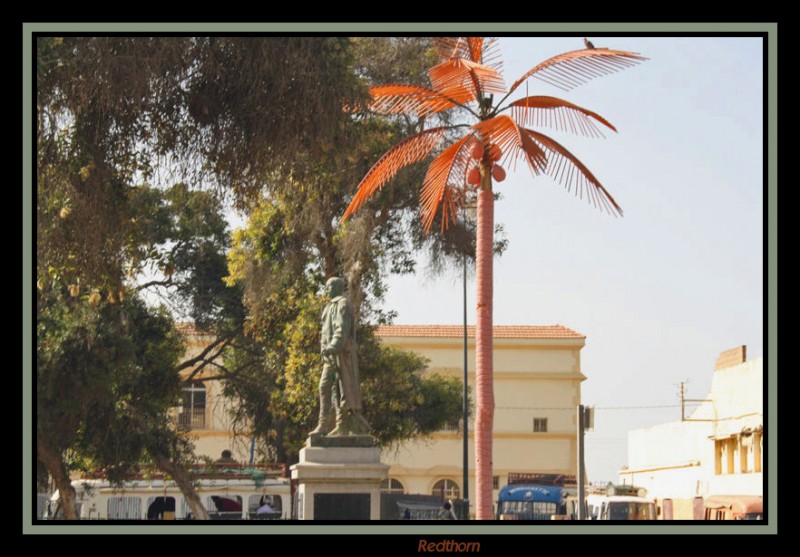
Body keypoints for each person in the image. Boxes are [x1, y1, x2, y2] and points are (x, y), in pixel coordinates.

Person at [309, 277, 369, 437]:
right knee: (329, 387)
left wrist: (333, 346)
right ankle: (326, 425)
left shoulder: (343, 304)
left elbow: (341, 329)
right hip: (330, 355)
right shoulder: (329, 306)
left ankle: (339, 425)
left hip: (342, 353)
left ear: (336, 287)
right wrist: (325, 351)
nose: (326, 290)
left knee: (341, 390)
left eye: (328, 287)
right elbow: (325, 332)